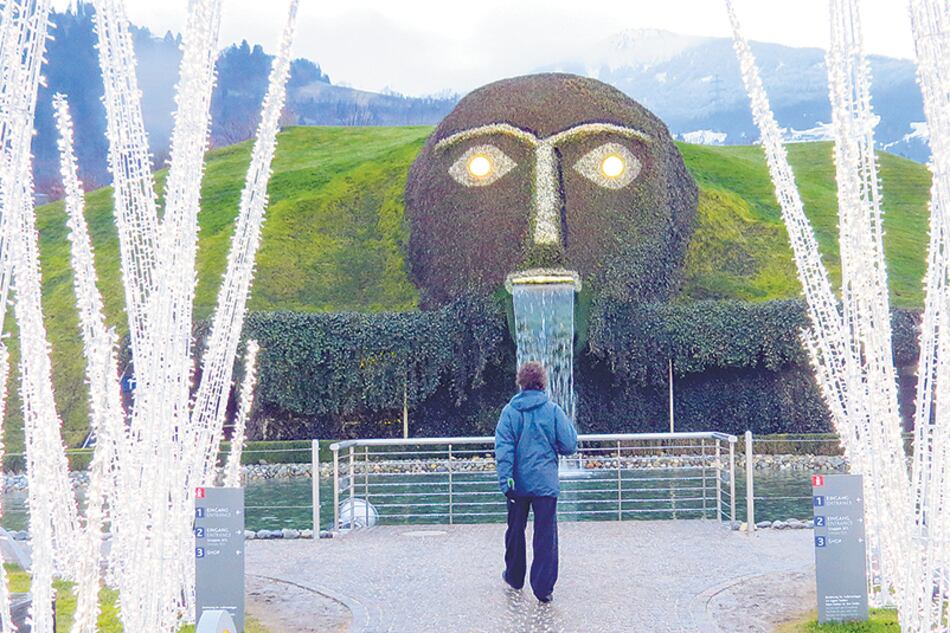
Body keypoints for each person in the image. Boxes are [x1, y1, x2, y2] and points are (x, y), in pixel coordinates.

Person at [494, 361, 578, 603]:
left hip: (517, 485)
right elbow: (570, 445)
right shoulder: (552, 410)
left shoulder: (509, 412)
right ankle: (543, 589)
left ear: (521, 382)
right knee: (545, 537)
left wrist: (506, 480)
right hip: (545, 484)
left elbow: (504, 449)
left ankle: (514, 577)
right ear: (543, 383)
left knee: (514, 532)